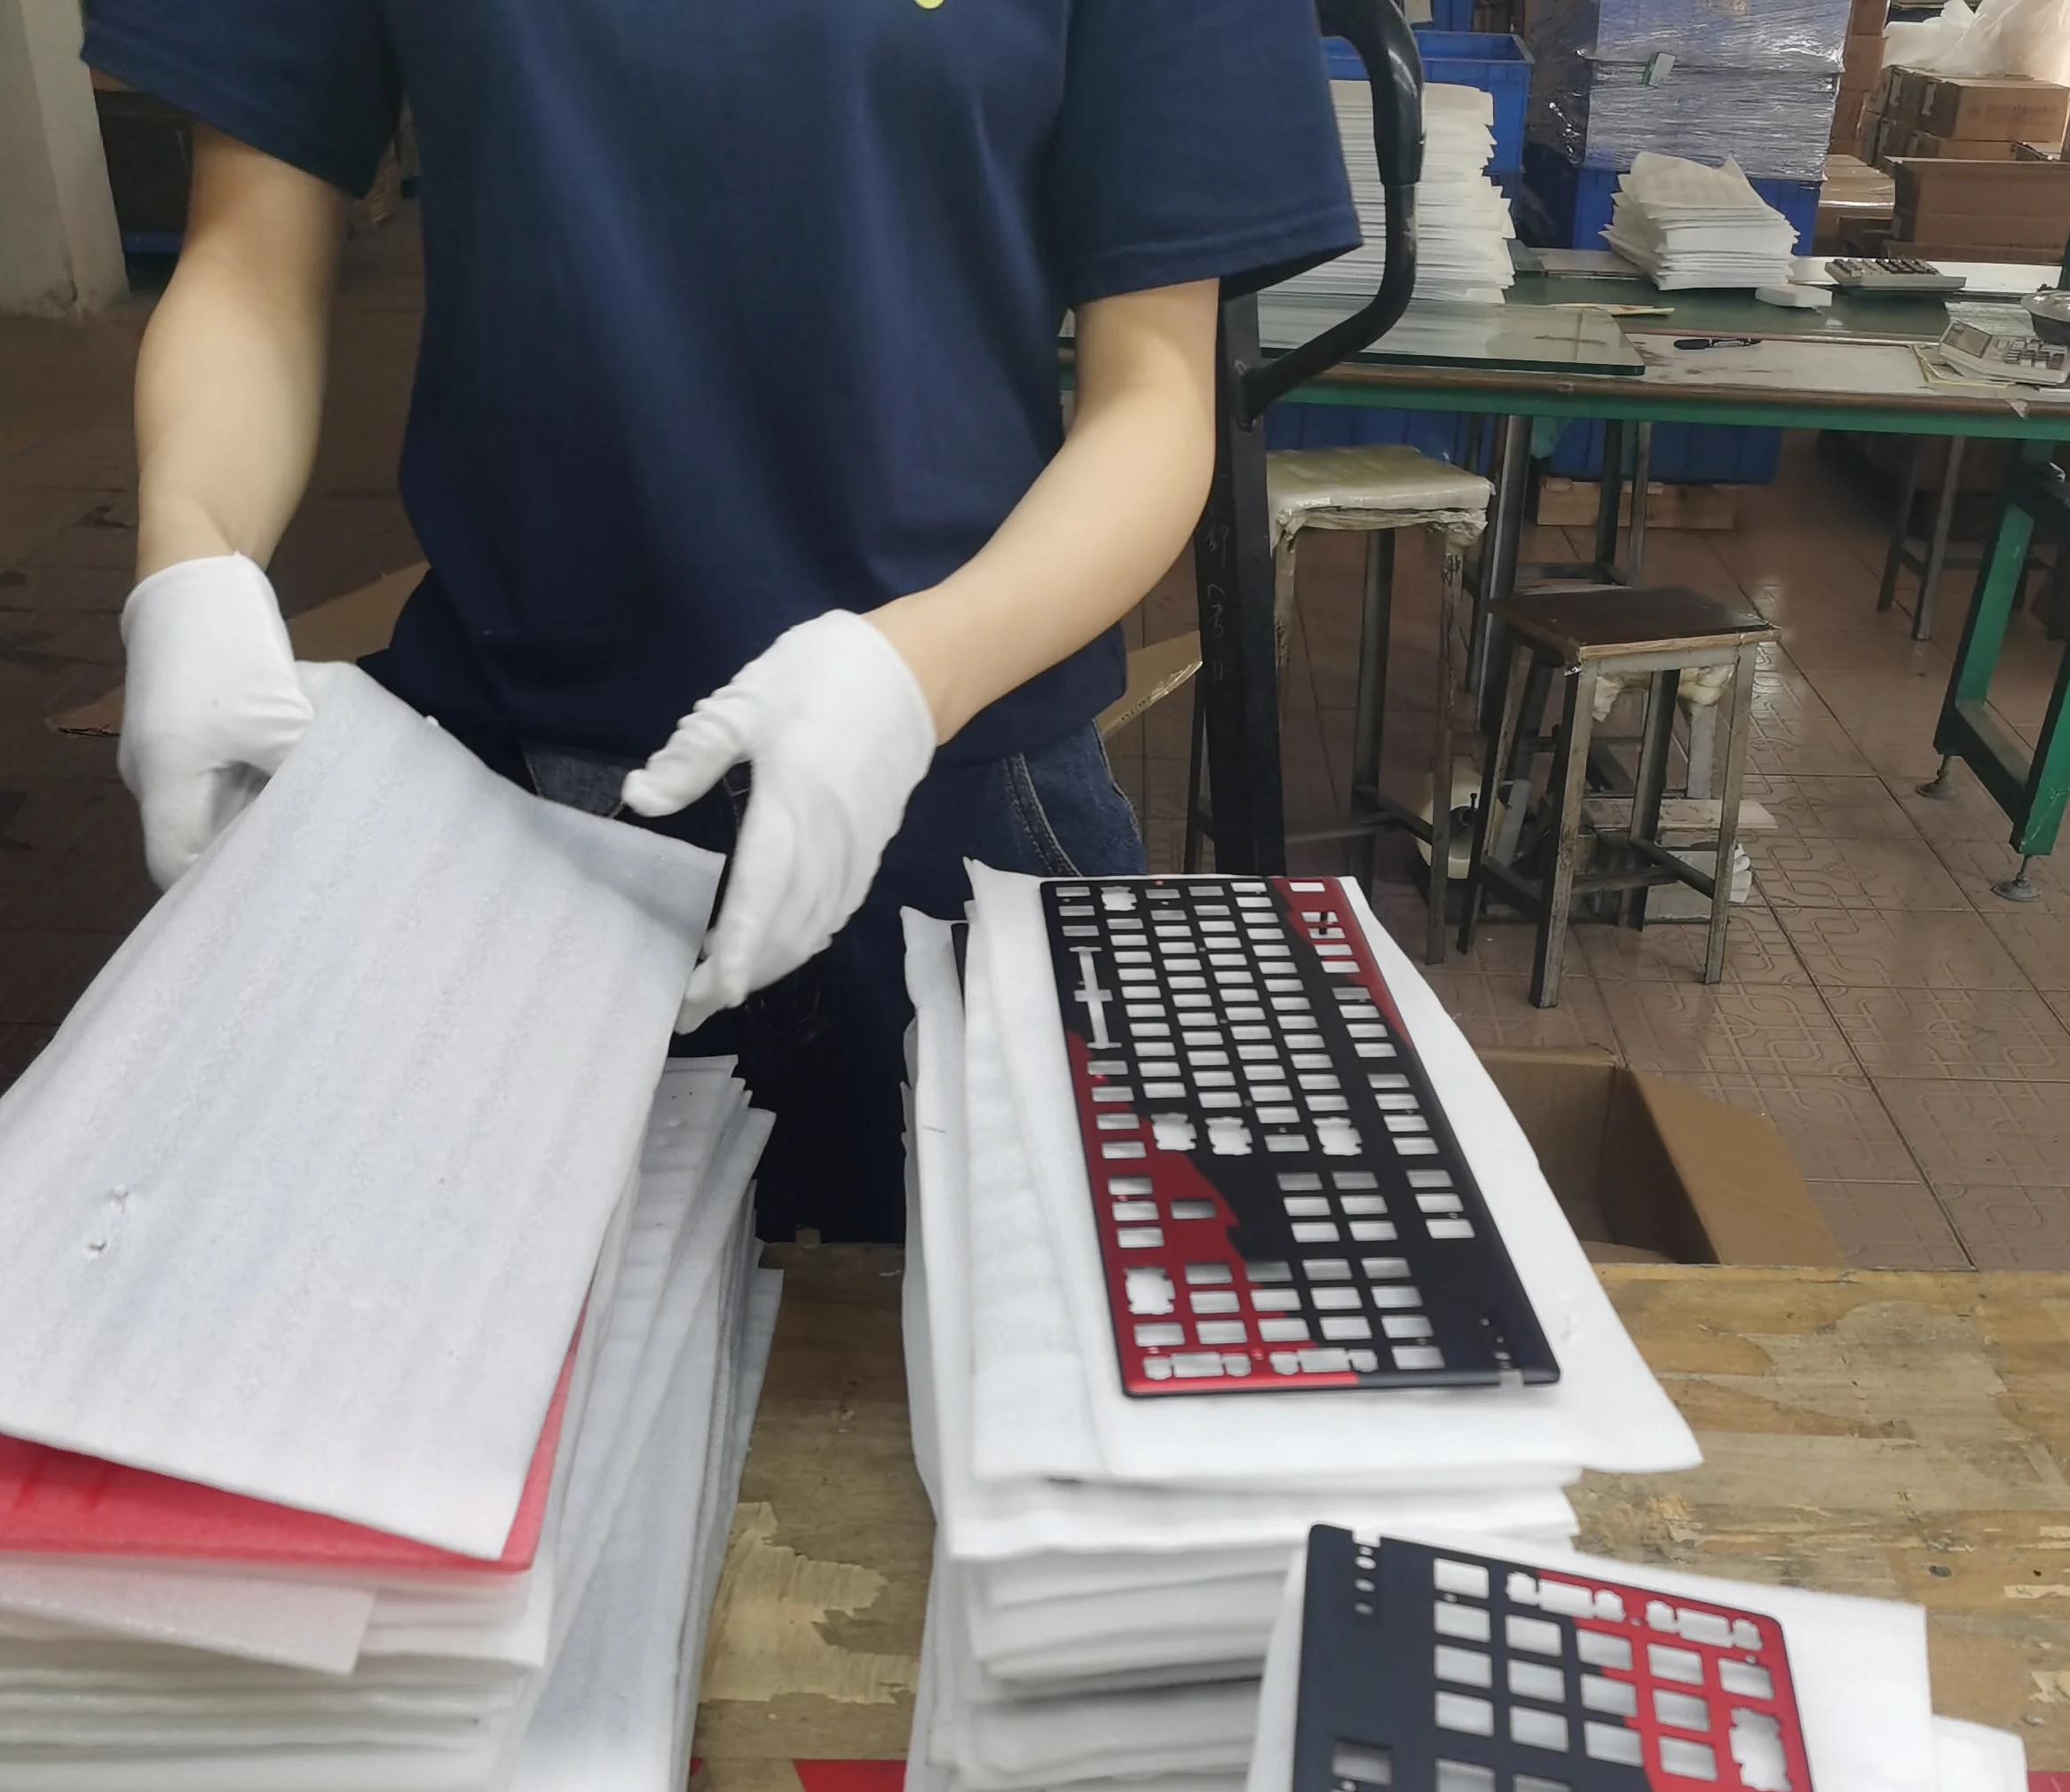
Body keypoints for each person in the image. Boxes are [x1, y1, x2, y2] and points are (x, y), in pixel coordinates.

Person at [84, 0, 1356, 1239]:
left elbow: (1157, 393)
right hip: (499, 806)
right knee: (440, 1344)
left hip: (950, 800)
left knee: (1002, 1349)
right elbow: (247, 256)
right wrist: (192, 562)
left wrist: (915, 675)